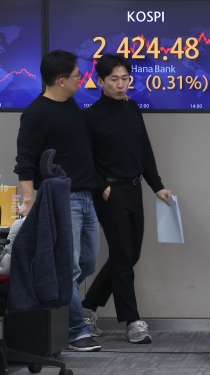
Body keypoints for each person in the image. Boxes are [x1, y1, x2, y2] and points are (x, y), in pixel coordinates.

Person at [81, 54, 172, 344]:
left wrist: (157, 186)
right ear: (100, 81)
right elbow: (83, 160)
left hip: (134, 190)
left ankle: (87, 307)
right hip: (109, 193)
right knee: (122, 258)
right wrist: (100, 187)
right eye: (114, 79)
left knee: (130, 255)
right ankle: (132, 322)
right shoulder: (91, 116)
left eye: (125, 79)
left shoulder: (132, 109)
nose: (121, 85)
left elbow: (144, 150)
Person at [14, 50, 101, 351]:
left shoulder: (71, 104)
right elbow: (24, 162)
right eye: (78, 76)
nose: (82, 80)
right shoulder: (36, 113)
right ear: (61, 81)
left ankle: (60, 312)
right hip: (62, 198)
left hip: (86, 196)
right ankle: (76, 331)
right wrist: (29, 200)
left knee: (87, 261)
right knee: (69, 267)